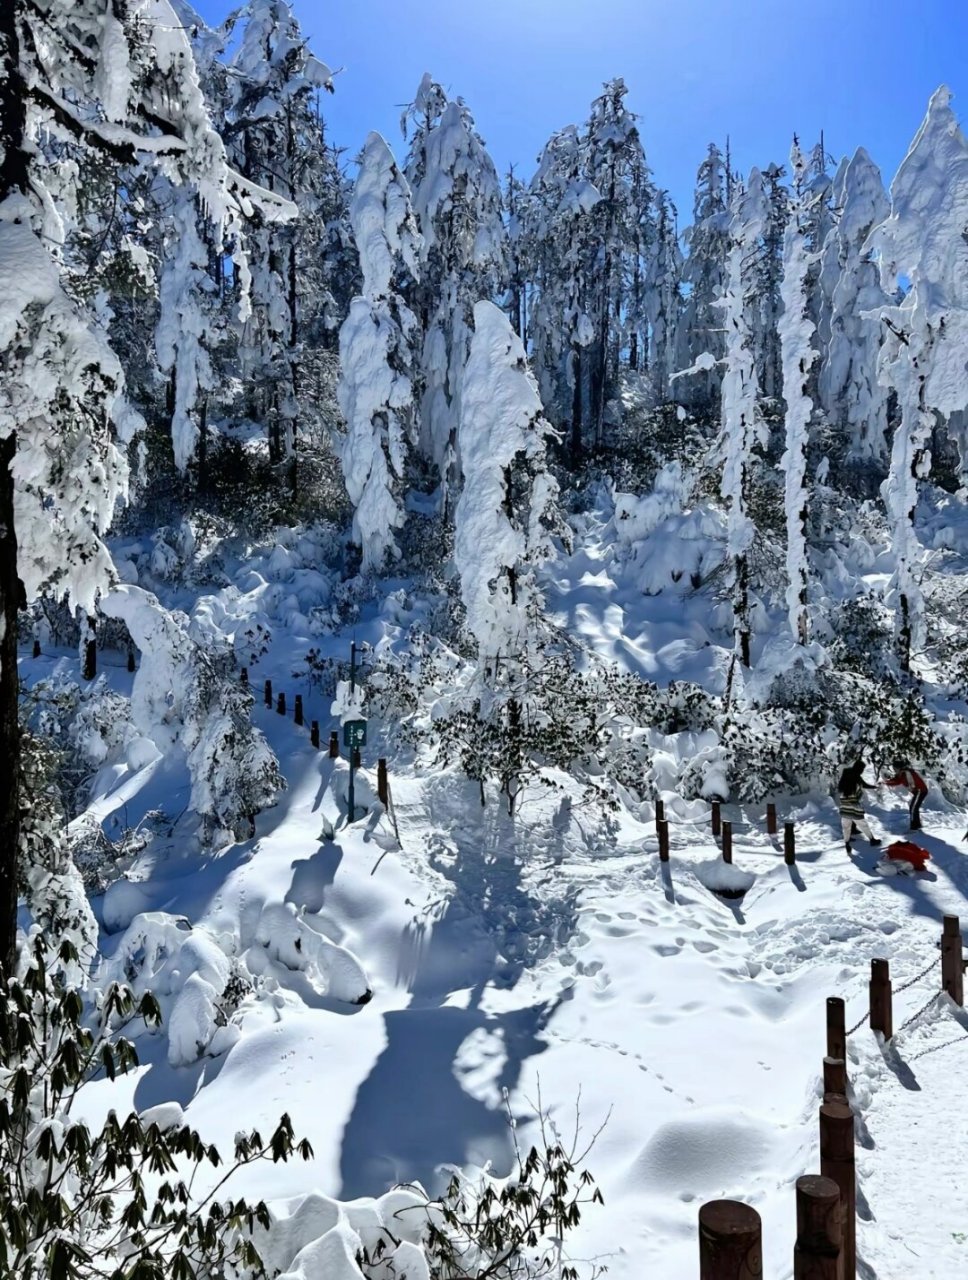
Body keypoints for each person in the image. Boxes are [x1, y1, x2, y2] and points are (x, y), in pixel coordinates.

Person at [837, 758, 880, 852]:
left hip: (844, 803)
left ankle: (847, 843)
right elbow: (863, 785)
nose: (862, 771)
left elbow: (841, 787)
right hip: (854, 804)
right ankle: (872, 840)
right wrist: (874, 787)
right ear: (859, 769)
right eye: (862, 769)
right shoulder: (856, 777)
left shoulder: (847, 773)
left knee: (846, 825)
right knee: (862, 823)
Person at [883, 759, 928, 831]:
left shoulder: (907, 773)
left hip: (921, 790)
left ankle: (914, 827)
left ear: (899, 768)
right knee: (913, 808)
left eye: (895, 768)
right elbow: (897, 781)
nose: (894, 770)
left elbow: (913, 783)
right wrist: (885, 782)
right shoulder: (902, 774)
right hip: (917, 791)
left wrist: (914, 789)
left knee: (913, 808)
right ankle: (917, 825)